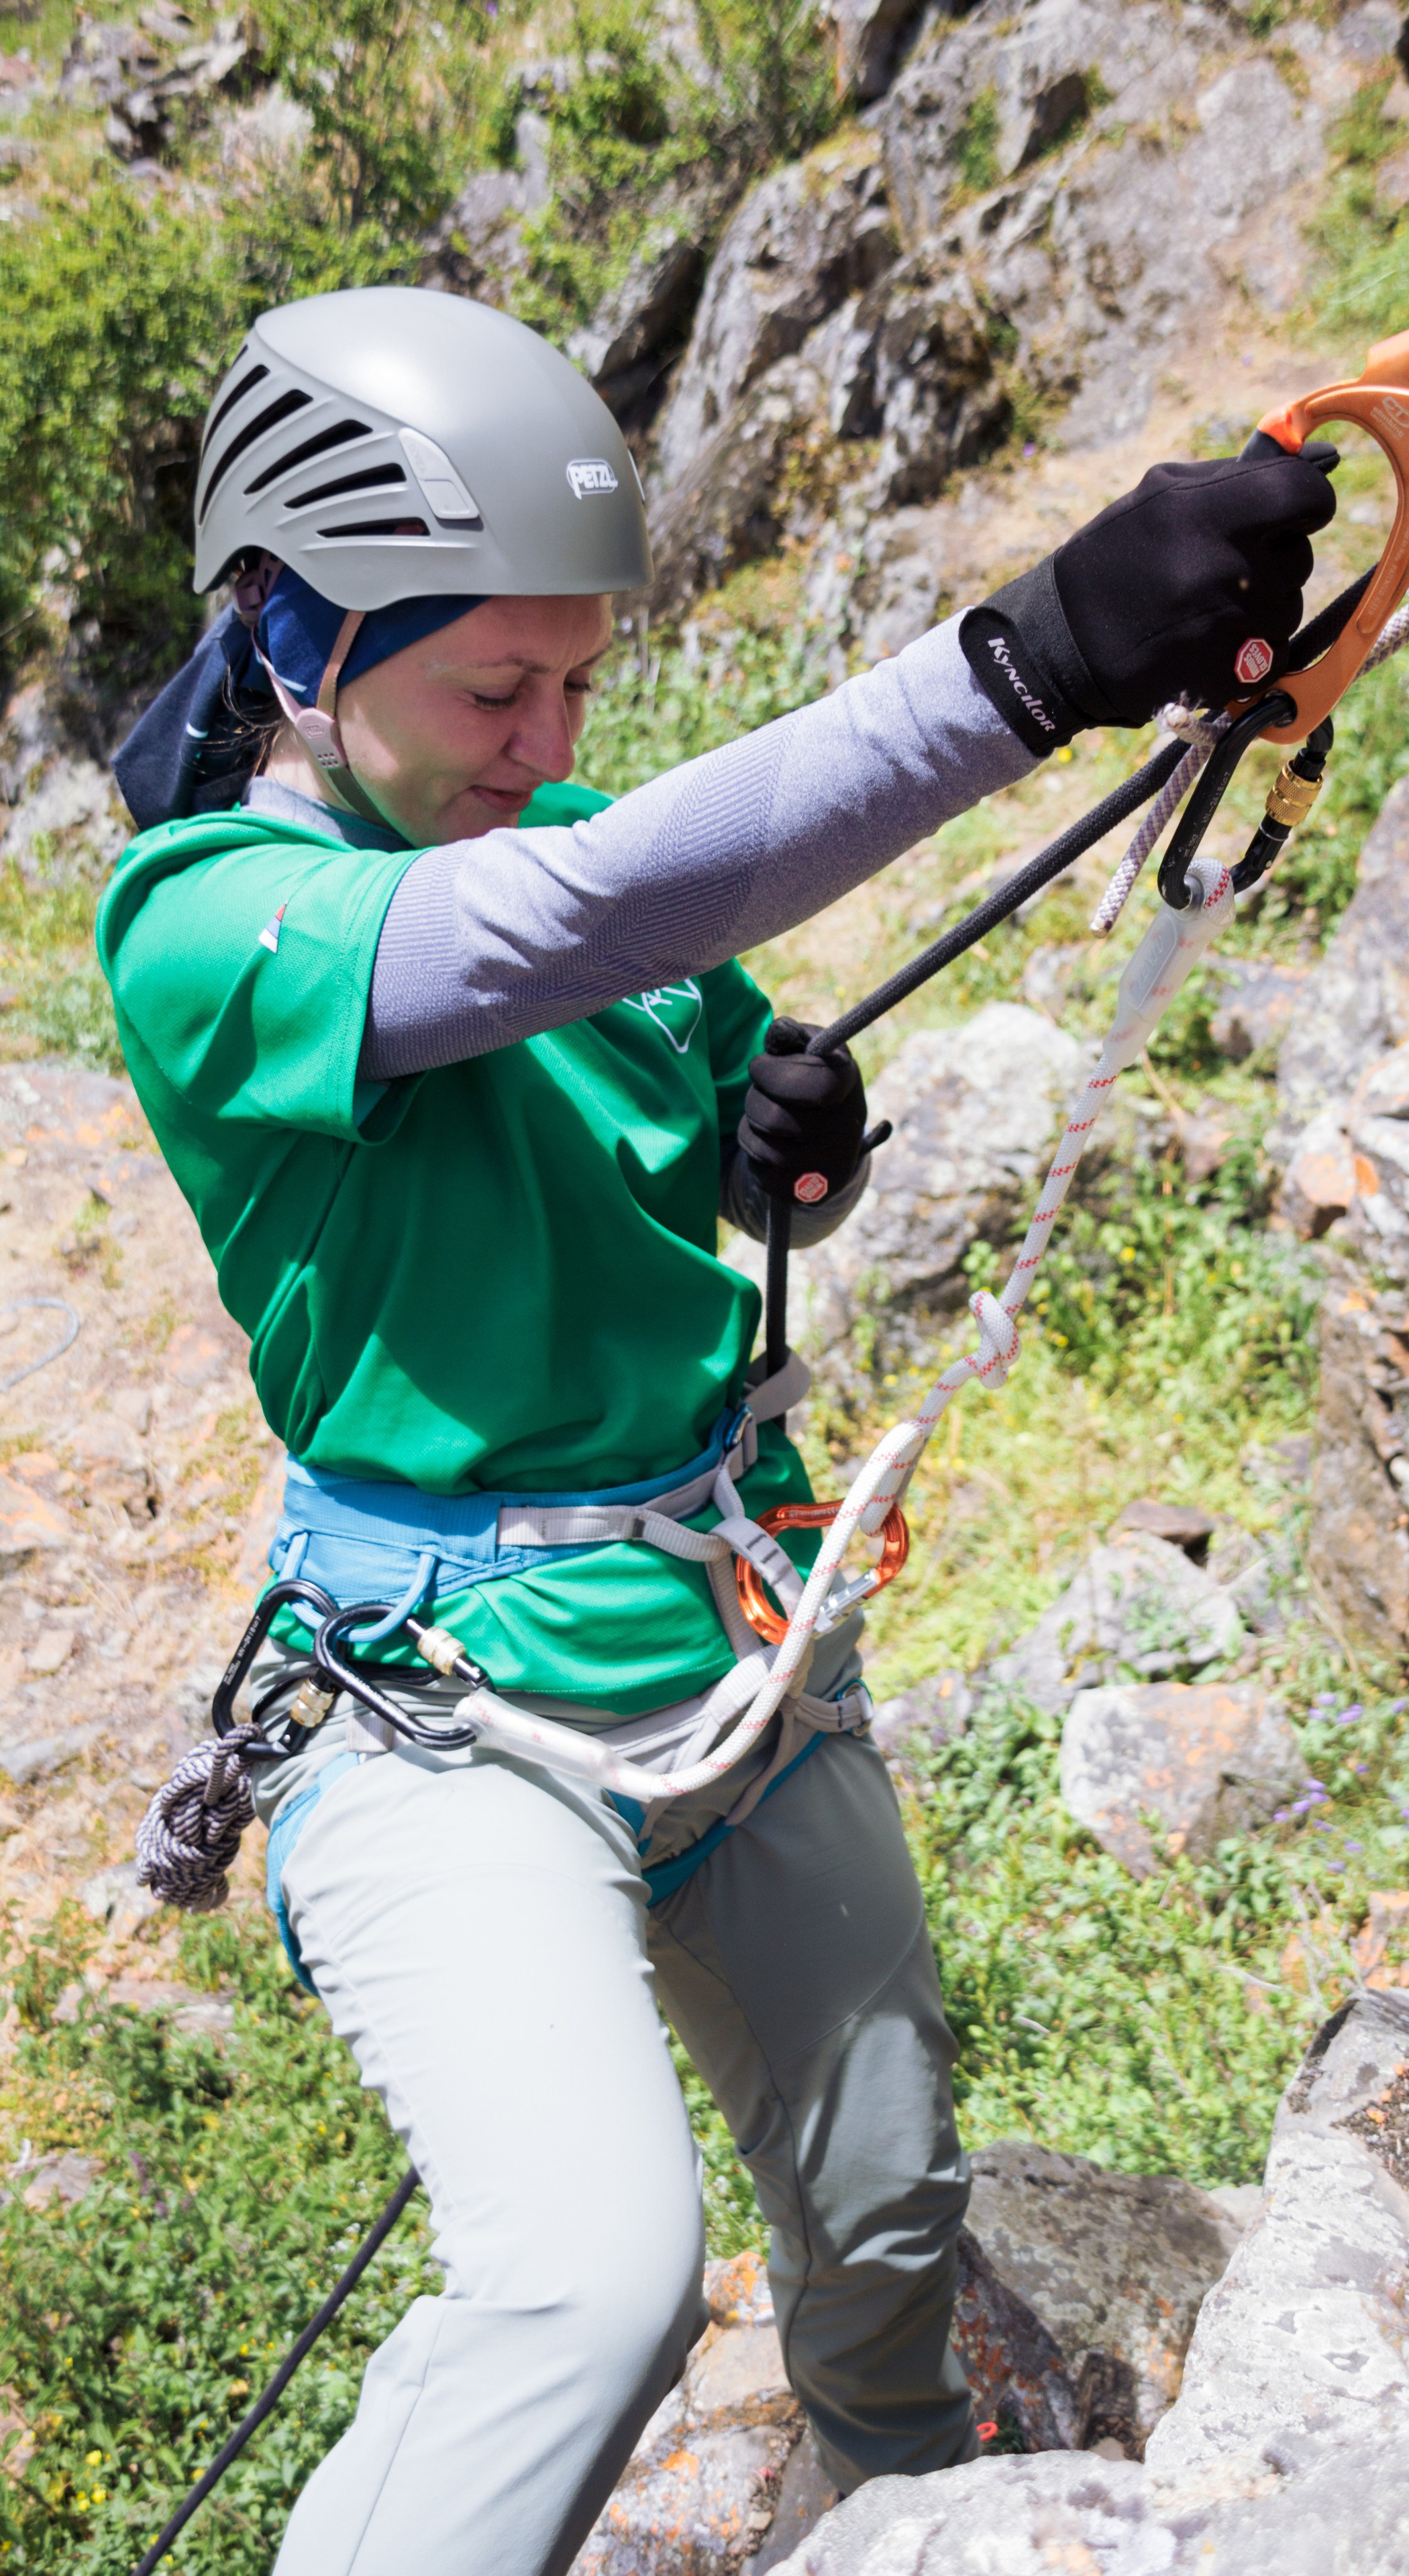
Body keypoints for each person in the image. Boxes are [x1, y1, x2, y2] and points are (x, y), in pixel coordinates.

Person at [100, 283, 1336, 2575]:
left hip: (734, 1648)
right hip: (444, 1719)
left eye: (576, 681)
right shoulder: (213, 919)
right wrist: (1028, 664)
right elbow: (570, 915)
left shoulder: (573, 859)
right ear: (286, 624)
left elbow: (659, 1027)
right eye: (495, 685)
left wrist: (793, 1162)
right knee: (588, 2287)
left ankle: (892, 2528)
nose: (546, 735)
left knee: (885, 2212)